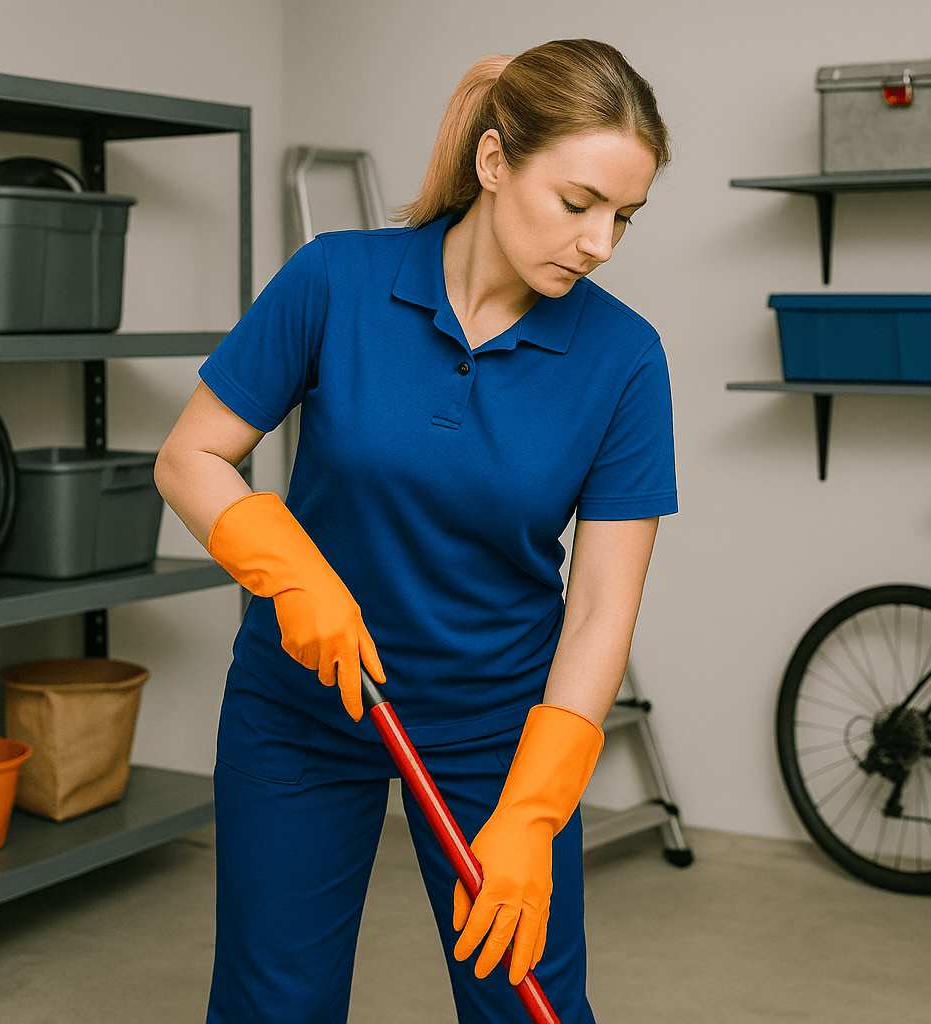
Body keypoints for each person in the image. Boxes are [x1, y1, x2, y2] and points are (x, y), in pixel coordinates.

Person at [154, 37, 675, 1024]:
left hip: (497, 731)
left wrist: (535, 808)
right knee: (277, 1007)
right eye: (578, 204)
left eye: (624, 217)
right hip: (300, 710)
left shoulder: (624, 358)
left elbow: (605, 604)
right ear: (493, 162)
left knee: (524, 1005)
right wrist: (287, 568)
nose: (600, 242)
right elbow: (189, 457)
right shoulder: (336, 281)